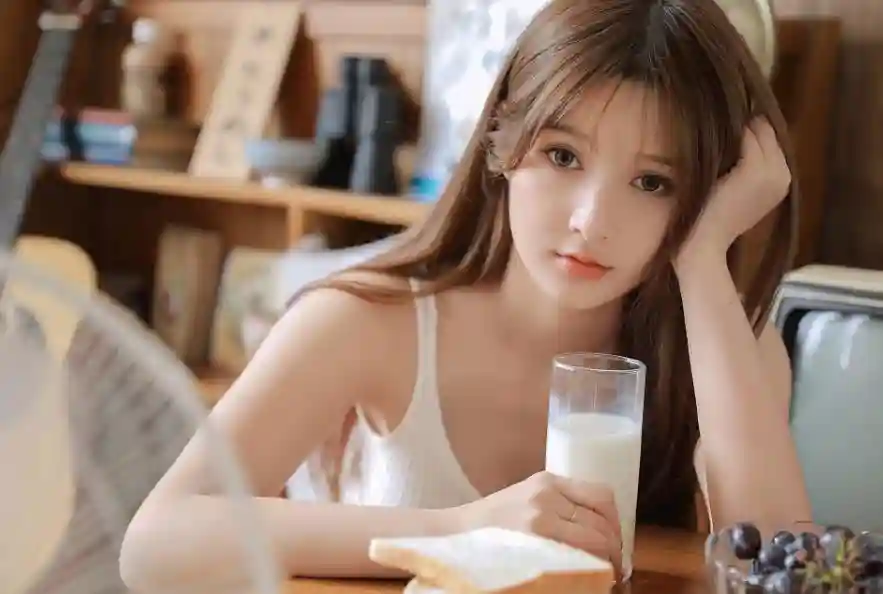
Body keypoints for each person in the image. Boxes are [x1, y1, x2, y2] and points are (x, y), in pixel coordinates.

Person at [119, 0, 811, 589]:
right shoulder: (369, 322)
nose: (591, 220)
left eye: (653, 182)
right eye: (563, 156)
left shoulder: (727, 352)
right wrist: (460, 530)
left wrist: (701, 257)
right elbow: (155, 542)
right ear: (501, 141)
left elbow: (783, 573)